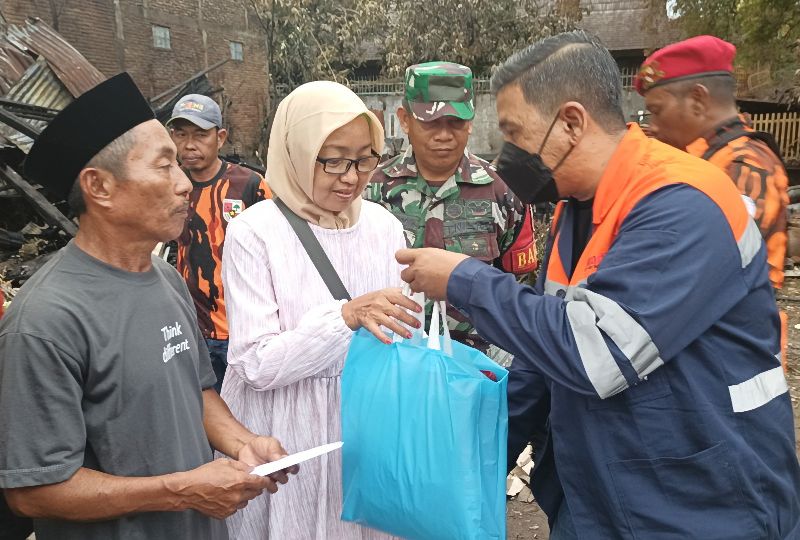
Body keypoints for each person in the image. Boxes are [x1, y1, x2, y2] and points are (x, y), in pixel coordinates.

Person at [397, 31, 800, 538]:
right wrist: (470, 468)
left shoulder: (684, 203)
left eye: (515, 133)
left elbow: (599, 353)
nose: (506, 155)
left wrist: (464, 280)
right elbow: (540, 360)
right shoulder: (575, 209)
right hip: (598, 497)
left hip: (702, 502)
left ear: (570, 123)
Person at [0, 73, 295, 540]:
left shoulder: (167, 279)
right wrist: (180, 491)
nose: (183, 185)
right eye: (164, 167)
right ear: (99, 187)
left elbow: (196, 394)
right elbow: (33, 491)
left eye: (180, 165)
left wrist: (246, 444)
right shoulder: (45, 321)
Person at [220, 81, 421, 539]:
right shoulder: (255, 233)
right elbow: (254, 363)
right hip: (286, 432)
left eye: (365, 158)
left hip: (364, 428)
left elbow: (403, 330)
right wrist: (345, 318)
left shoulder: (384, 226)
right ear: (296, 150)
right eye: (332, 159)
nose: (351, 176)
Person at [635, 35, 790, 369]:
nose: (654, 127)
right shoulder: (705, 160)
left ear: (697, 99)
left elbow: (704, 275)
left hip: (733, 358)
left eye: (657, 112)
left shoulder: (745, 168)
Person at [365, 61, 537, 361]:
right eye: (431, 122)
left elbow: (520, 288)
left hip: (473, 367)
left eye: (456, 122)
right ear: (404, 120)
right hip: (392, 362)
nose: (444, 135)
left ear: (470, 120)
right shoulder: (371, 191)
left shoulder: (503, 192)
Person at [167, 95, 271, 392]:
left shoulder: (248, 185)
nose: (189, 145)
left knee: (247, 421)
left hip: (244, 332)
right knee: (204, 419)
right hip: (193, 331)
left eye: (200, 135)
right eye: (181, 135)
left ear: (220, 137)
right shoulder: (171, 188)